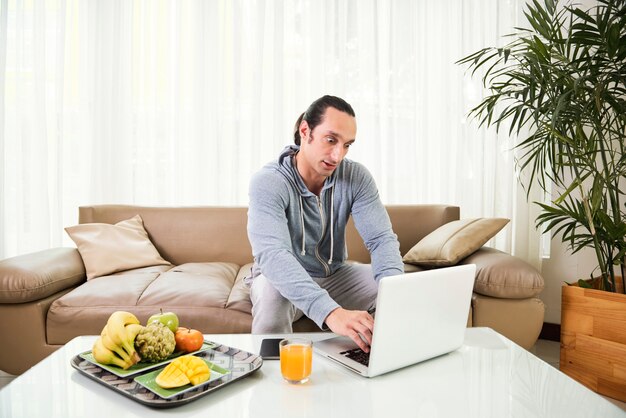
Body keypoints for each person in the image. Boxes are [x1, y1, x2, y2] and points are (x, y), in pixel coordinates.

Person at [246, 95, 403, 352]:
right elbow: (273, 255)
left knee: (393, 287)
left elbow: (381, 239)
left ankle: (374, 362)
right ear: (305, 131)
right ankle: (270, 377)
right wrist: (331, 312)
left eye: (347, 145)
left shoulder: (356, 177)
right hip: (280, 279)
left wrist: (396, 292)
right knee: (273, 294)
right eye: (331, 140)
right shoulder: (269, 182)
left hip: (334, 275)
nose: (337, 154)